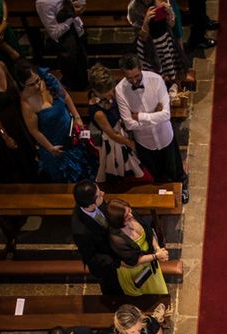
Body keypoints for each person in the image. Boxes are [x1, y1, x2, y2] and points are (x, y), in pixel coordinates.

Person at [115, 54, 189, 203]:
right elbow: (129, 124)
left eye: (137, 76)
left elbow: (166, 115)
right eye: (130, 78)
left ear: (141, 68)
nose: (135, 81)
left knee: (175, 169)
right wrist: (155, 115)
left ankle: (183, 188)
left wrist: (140, 117)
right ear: (124, 74)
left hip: (165, 135)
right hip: (145, 141)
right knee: (157, 173)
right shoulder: (120, 90)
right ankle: (165, 195)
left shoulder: (156, 80)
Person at [16, 59, 95, 183]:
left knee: (85, 165)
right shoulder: (26, 103)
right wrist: (50, 148)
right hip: (55, 143)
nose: (37, 86)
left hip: (71, 131)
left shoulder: (49, 79)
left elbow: (66, 96)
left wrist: (77, 117)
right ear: (22, 84)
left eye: (37, 80)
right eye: (31, 84)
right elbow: (34, 131)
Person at [87, 63, 146, 183]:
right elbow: (112, 134)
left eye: (111, 89)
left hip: (121, 130)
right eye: (107, 92)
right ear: (96, 91)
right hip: (114, 140)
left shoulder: (108, 95)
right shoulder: (98, 112)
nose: (111, 94)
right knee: (123, 164)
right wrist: (130, 143)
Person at [105, 198, 169, 296]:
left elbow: (148, 231)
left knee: (160, 293)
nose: (131, 215)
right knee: (145, 301)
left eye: (130, 210)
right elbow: (133, 261)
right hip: (135, 270)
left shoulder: (131, 215)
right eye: (127, 215)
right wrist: (156, 256)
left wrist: (157, 249)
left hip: (149, 260)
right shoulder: (116, 238)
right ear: (118, 220)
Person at [71, 180, 123, 295]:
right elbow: (92, 258)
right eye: (99, 195)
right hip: (108, 267)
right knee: (116, 293)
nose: (103, 193)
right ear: (91, 205)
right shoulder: (81, 231)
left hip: (116, 250)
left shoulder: (92, 201)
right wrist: (119, 263)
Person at [0, 55, 37, 183]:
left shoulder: (2, 64)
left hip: (19, 117)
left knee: (29, 150)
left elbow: (16, 88)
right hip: (5, 125)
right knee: (17, 160)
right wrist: (5, 136)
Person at [127, 0, 188, 84]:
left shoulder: (160, 1)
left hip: (165, 42)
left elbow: (171, 25)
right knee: (154, 77)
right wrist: (146, 22)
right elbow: (142, 37)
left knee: (172, 71)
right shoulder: (134, 7)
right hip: (148, 46)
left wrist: (169, 12)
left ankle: (175, 89)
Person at [35, 0, 88, 91]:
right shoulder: (43, 2)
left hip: (77, 32)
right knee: (73, 79)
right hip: (66, 45)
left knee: (83, 66)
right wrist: (72, 16)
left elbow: (80, 3)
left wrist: (81, 3)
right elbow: (54, 33)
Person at [0, 0, 21, 66]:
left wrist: (3, 25)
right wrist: (10, 50)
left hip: (7, 34)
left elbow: (5, 17)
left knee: (21, 65)